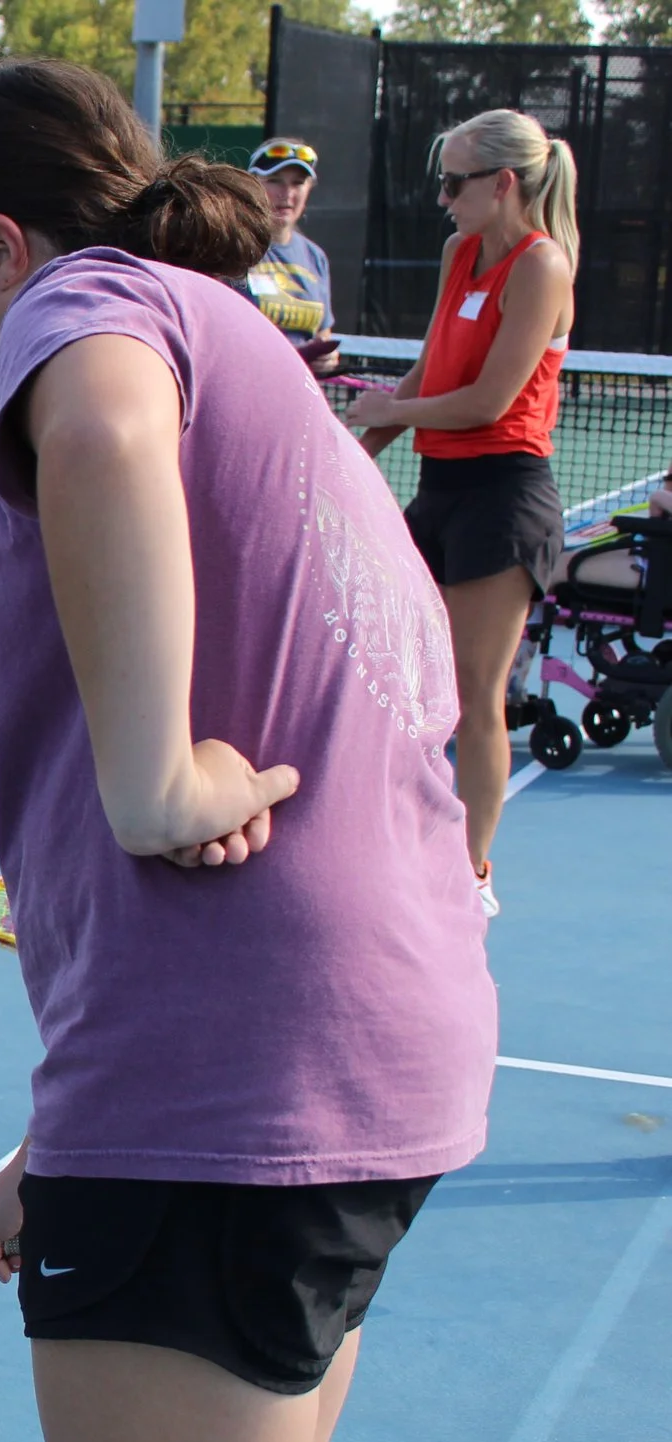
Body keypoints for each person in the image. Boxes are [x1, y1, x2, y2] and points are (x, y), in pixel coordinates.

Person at [0, 61, 494, 1442]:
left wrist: (149, 774)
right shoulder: (252, 361)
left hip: (240, 1084)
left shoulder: (98, 309)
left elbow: (102, 426)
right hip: (335, 1061)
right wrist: (62, 1139)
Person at [347, 109, 577, 920]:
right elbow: (432, 363)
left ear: (503, 183)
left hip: (504, 494)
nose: (443, 199)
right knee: (403, 685)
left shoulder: (540, 264)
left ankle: (471, 874)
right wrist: (365, 437)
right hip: (439, 489)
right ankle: (397, 842)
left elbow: (489, 399)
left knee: (476, 696)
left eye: (454, 183)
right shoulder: (460, 252)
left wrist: (393, 414)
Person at [243, 137, 340, 375]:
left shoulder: (315, 257)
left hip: (301, 393)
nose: (286, 194)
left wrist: (327, 358)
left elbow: (322, 334)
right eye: (275, 181)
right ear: (252, 184)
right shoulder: (234, 248)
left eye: (298, 183)